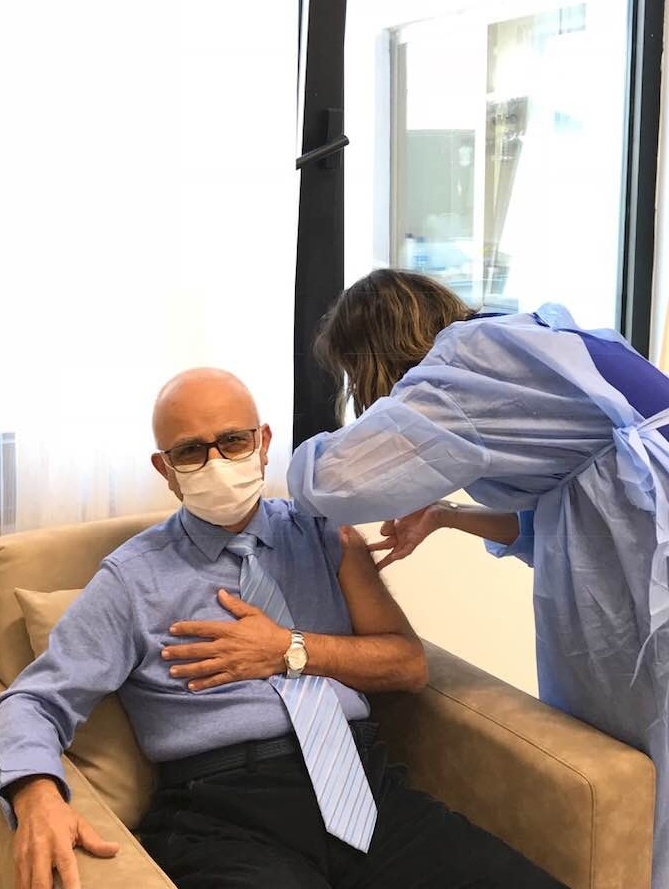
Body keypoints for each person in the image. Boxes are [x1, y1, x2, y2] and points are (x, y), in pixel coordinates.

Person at [0, 368, 566, 889]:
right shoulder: (132, 579)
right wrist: (35, 793)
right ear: (166, 470)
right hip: (226, 812)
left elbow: (406, 664)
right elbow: (33, 702)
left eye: (233, 440)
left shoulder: (325, 534)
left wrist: (290, 649)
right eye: (191, 451)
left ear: (262, 444)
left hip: (365, 789)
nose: (216, 463)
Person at [286, 268, 669, 889]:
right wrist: (446, 515)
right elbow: (569, 516)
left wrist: (289, 463)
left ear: (375, 355)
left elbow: (334, 483)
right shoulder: (533, 341)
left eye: (356, 377)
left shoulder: (471, 359)